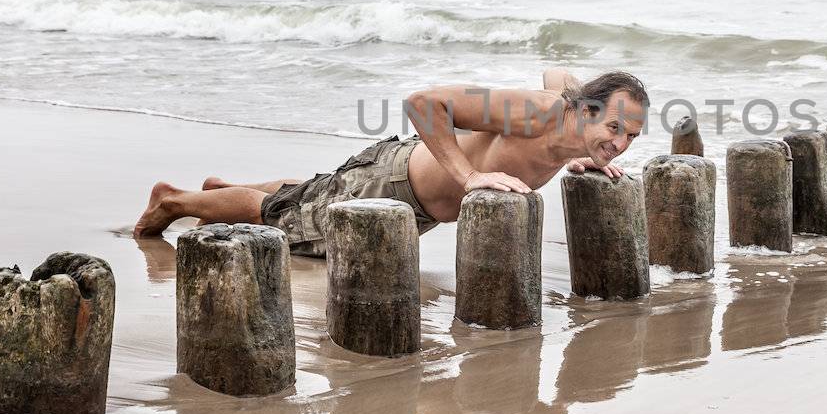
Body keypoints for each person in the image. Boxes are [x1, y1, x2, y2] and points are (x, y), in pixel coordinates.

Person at [132, 69, 648, 256]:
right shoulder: (539, 114)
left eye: (631, 135)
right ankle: (173, 201)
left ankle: (222, 188)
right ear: (585, 111)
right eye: (613, 129)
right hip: (393, 187)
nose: (621, 145)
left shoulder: (577, 127)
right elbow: (425, 103)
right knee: (279, 217)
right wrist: (470, 176)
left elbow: (557, 70)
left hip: (410, 193)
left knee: (314, 190)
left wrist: (589, 154)